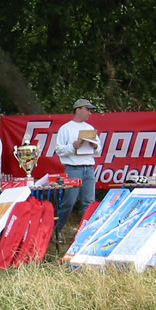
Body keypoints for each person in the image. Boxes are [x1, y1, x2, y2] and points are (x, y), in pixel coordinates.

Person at [55, 98, 100, 234]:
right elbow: (59, 150)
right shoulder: (65, 128)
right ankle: (57, 231)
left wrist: (94, 145)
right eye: (88, 110)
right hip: (73, 168)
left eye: (91, 110)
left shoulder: (90, 128)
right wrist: (73, 146)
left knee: (89, 202)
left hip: (89, 168)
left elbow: (98, 150)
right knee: (69, 202)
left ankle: (86, 233)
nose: (90, 113)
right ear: (78, 110)